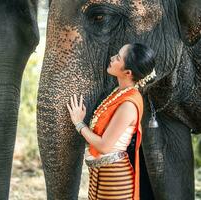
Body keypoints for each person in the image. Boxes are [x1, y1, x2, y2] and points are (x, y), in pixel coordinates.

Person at [66, 43, 156, 200]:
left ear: (127, 72)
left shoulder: (128, 103)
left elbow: (104, 146)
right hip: (100, 173)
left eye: (118, 58)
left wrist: (79, 123)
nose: (112, 58)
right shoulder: (119, 92)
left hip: (115, 178)